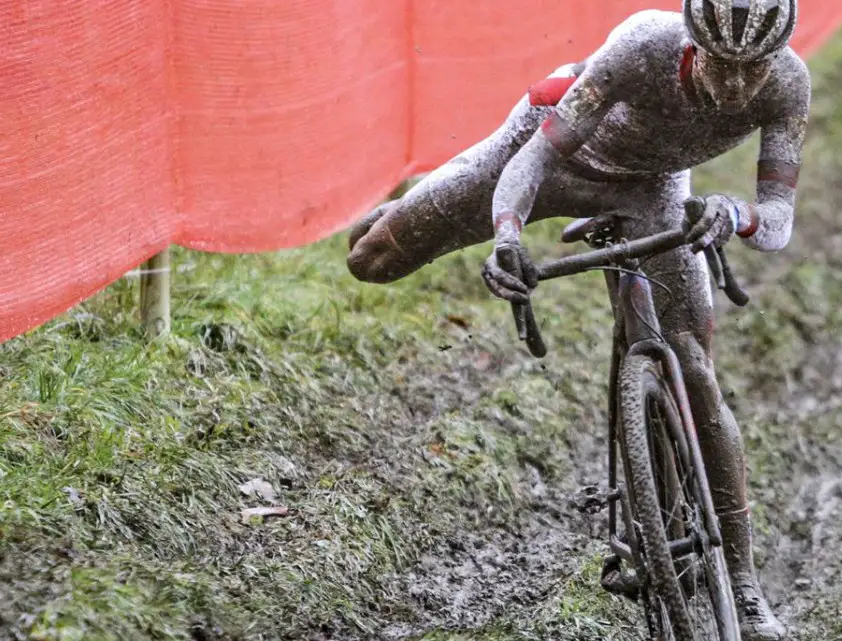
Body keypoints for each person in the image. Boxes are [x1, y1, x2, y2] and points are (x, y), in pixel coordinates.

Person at [346, 2, 809, 638]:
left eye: (750, 70)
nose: (733, 88)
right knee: (370, 262)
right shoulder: (644, 44)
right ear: (692, 41)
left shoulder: (788, 85)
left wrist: (735, 213)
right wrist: (506, 235)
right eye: (719, 65)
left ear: (776, 57)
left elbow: (777, 221)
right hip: (547, 153)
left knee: (697, 372)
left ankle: (747, 591)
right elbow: (532, 161)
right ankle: (421, 194)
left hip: (649, 189)